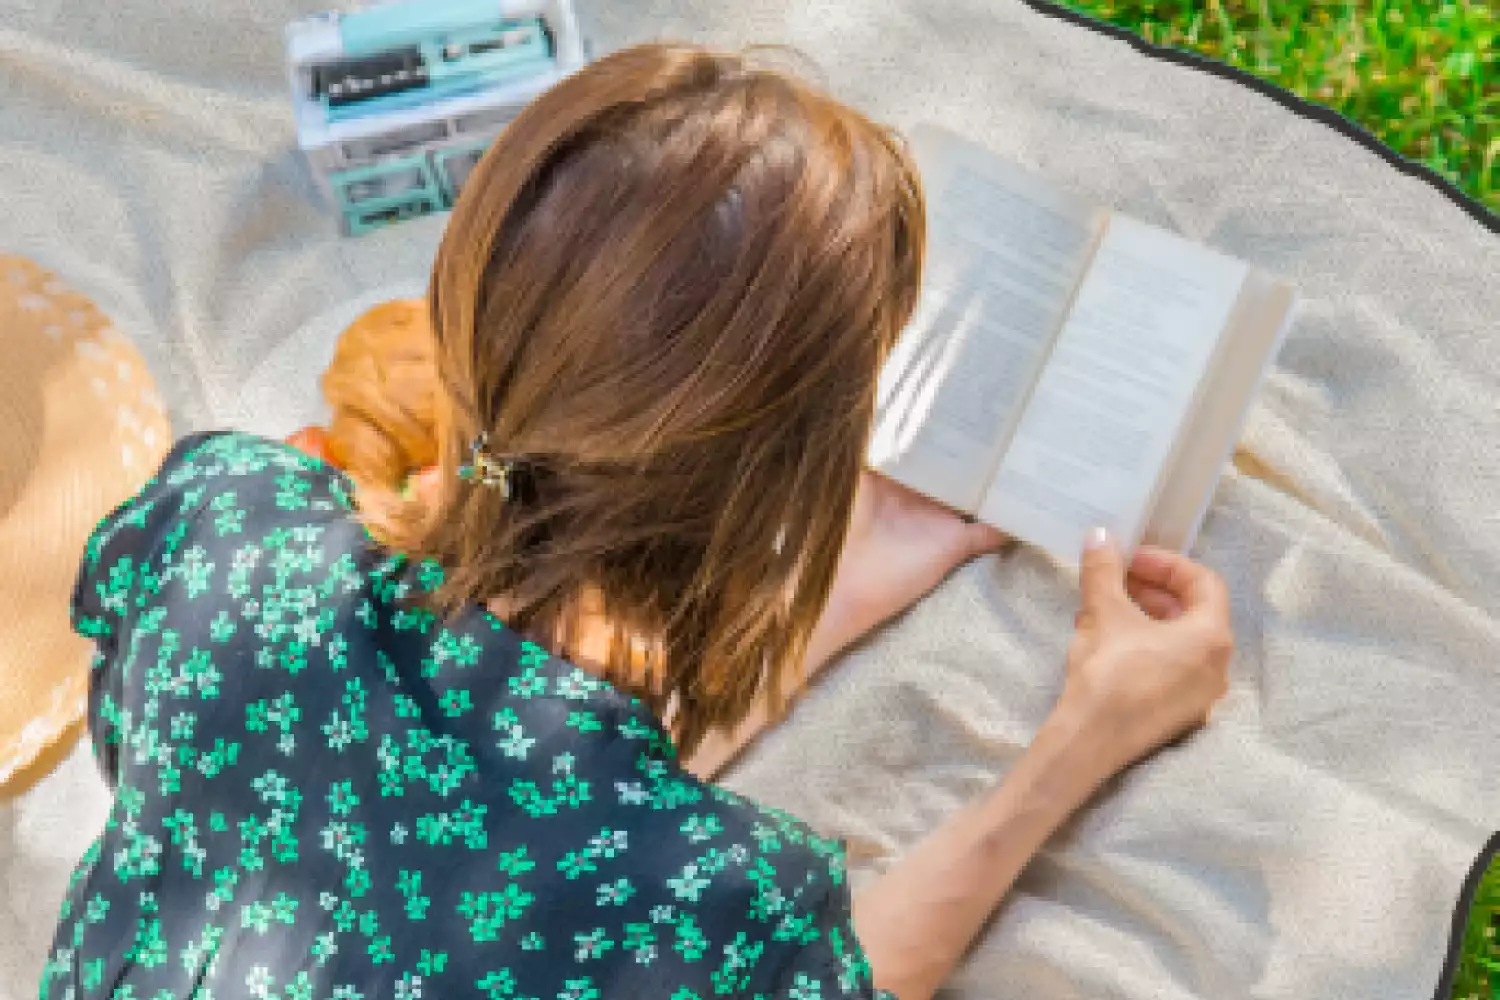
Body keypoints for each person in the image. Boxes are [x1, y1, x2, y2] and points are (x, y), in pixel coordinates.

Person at [40, 43, 1232, 1000]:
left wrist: (851, 587)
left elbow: (481, 796)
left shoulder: (220, 526)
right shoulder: (723, 906)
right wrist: (1081, 739)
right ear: (784, 499)